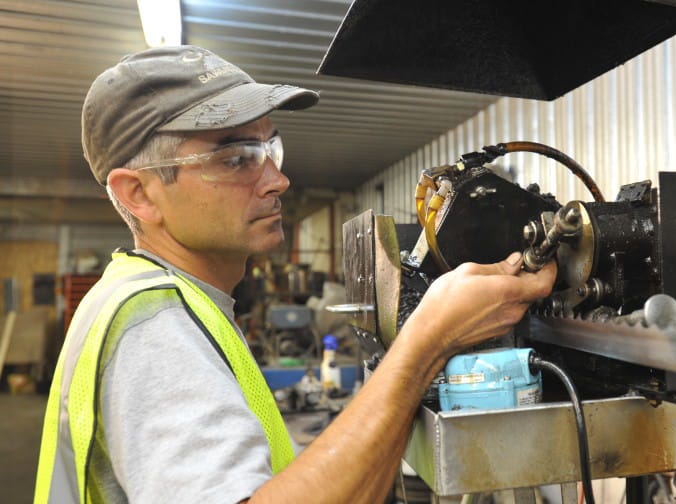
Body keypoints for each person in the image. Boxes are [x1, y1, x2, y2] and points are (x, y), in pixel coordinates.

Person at [34, 45, 556, 503]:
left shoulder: (170, 302)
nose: (278, 180)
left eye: (270, 149)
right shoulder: (153, 327)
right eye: (237, 158)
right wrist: (426, 342)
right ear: (139, 194)